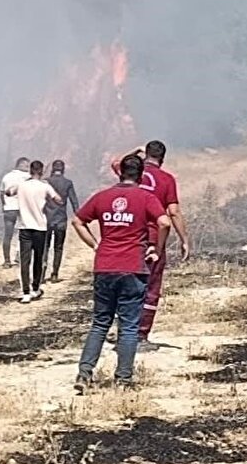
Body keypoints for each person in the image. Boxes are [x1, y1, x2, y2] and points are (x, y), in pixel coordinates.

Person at [72, 153, 169, 391]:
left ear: (120, 172)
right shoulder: (145, 197)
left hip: (104, 267)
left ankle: (84, 375)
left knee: (100, 323)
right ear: (141, 175)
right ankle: (123, 380)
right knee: (128, 326)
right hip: (133, 268)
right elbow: (165, 222)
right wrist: (156, 249)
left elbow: (77, 221)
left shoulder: (102, 197)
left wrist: (95, 244)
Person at [110, 140, 191, 349]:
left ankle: (124, 332)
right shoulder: (166, 179)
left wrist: (135, 152)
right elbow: (173, 212)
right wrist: (184, 240)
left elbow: (116, 162)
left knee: (126, 285)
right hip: (152, 238)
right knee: (151, 286)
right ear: (162, 158)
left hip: (126, 235)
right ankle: (140, 335)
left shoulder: (131, 170)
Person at [14, 160, 62, 303]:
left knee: (24, 260)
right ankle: (36, 288)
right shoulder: (44, 186)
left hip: (24, 227)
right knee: (38, 258)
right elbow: (58, 199)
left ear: (30, 170)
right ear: (41, 171)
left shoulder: (22, 185)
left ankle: (25, 292)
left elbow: (9, 192)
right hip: (40, 227)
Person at [45, 159, 80, 283]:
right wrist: (79, 217)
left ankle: (42, 272)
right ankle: (54, 274)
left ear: (53, 169)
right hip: (61, 219)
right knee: (58, 248)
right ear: (63, 169)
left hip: (47, 218)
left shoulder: (46, 182)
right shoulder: (67, 183)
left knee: (45, 246)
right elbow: (74, 201)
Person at [0, 157, 30, 268]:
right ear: (20, 165)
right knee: (23, 233)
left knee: (8, 235)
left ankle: (7, 260)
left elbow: (2, 193)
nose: (28, 168)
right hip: (23, 208)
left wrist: (4, 205)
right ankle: (19, 256)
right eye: (26, 165)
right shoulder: (28, 177)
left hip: (9, 208)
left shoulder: (6, 176)